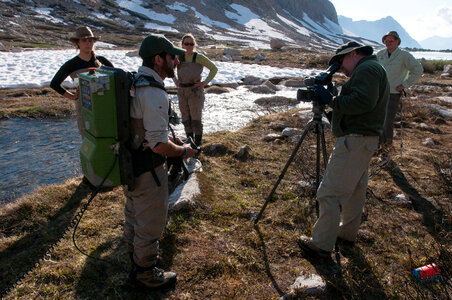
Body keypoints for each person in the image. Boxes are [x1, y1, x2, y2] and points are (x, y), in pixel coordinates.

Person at [298, 42, 389, 258]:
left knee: (330, 192)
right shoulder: (372, 68)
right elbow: (361, 102)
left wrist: (331, 100)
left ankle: (321, 244)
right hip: (363, 139)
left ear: (354, 54)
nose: (341, 69)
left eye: (341, 62)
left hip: (355, 139)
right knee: (355, 191)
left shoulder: (367, 69)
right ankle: (346, 233)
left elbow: (363, 102)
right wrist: (334, 101)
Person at [123, 34, 198, 290]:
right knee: (151, 220)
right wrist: (184, 150)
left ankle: (133, 258)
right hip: (148, 170)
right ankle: (145, 273)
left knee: (134, 212)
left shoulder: (136, 81)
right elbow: (158, 146)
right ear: (158, 59)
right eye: (171, 56)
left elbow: (143, 128)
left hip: (130, 164)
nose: (176, 61)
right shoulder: (152, 91)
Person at [50, 26, 113, 137]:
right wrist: (73, 97)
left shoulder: (102, 61)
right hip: (84, 107)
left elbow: (116, 78)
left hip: (105, 105)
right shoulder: (71, 64)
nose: (88, 43)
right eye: (84, 41)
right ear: (77, 43)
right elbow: (54, 84)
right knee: (88, 137)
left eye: (90, 41)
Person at [376, 31, 423, 146]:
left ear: (397, 41)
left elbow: (418, 70)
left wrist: (405, 84)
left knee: (387, 122)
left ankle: (387, 147)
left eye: (391, 40)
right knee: (378, 120)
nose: (388, 43)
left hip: (393, 93)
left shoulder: (404, 56)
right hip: (379, 93)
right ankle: (378, 145)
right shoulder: (380, 54)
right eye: (386, 41)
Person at [173, 33, 218, 146]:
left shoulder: (199, 57)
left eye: (191, 44)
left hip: (195, 92)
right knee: (185, 117)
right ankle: (189, 143)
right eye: (186, 43)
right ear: (182, 45)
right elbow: (170, 68)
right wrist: (175, 80)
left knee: (196, 118)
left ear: (194, 45)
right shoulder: (179, 57)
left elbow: (214, 68)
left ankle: (197, 144)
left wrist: (204, 83)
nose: (189, 46)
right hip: (182, 91)